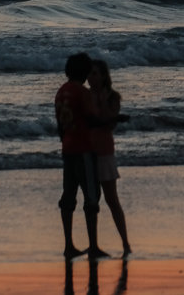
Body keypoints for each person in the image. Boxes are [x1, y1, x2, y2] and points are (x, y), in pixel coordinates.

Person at [55, 52, 108, 260]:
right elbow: (91, 119)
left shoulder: (61, 92)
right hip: (84, 149)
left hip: (67, 149)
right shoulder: (82, 92)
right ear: (84, 72)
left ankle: (69, 245)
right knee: (92, 198)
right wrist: (112, 120)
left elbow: (60, 125)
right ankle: (93, 246)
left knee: (68, 197)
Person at [87, 58, 132, 256]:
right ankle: (94, 245)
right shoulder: (86, 96)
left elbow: (109, 123)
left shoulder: (113, 97)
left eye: (95, 74)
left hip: (104, 151)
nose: (91, 78)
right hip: (88, 150)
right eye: (89, 74)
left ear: (104, 76)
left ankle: (125, 244)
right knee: (91, 200)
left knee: (112, 200)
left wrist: (103, 102)